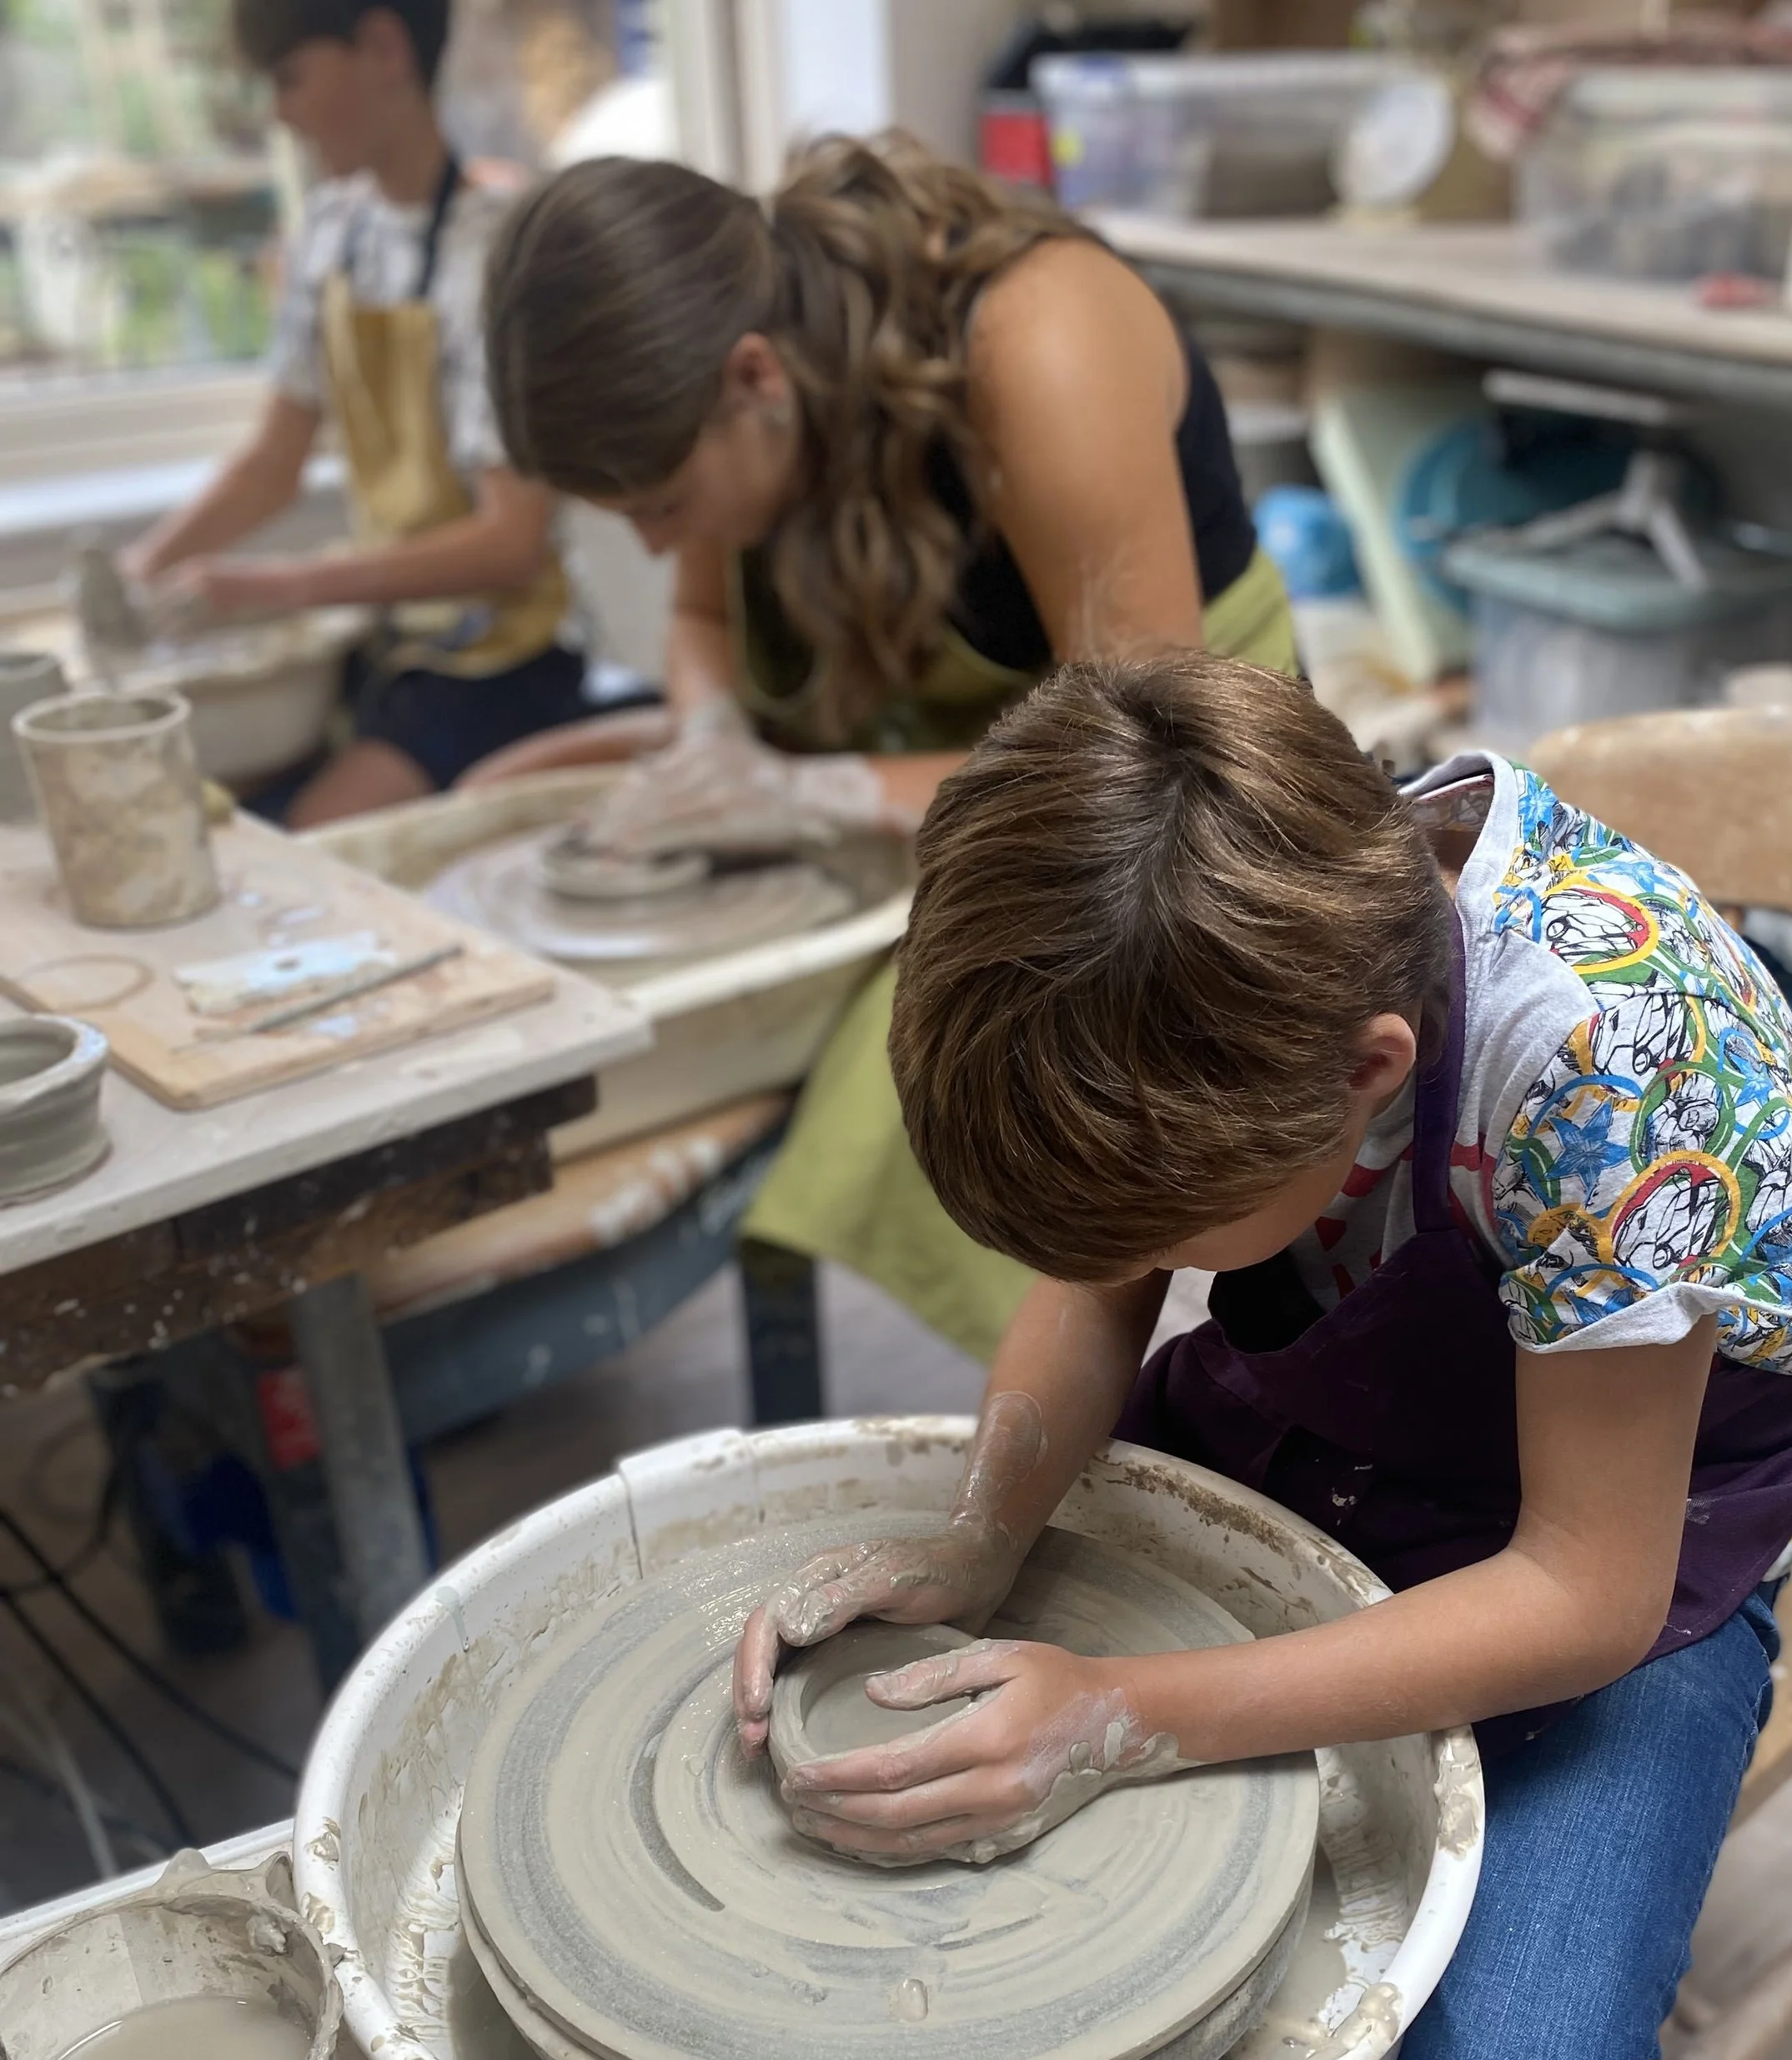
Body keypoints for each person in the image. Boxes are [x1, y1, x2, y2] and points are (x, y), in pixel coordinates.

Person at [731, 654, 1792, 2060]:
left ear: (1370, 1081)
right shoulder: (1208, 917)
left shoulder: (1612, 1066)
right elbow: (1102, 1272)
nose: (1114, 1253)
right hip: (1332, 1391)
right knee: (990, 1764)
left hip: (1622, 1518)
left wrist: (1130, 1712)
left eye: (1156, 1216)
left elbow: (1579, 1584)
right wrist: (990, 1528)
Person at [475, 138, 1296, 1359]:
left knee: (950, 1080)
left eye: (658, 506)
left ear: (755, 376)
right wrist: (708, 730)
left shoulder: (1037, 340)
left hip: (1165, 785)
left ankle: (1052, 1412)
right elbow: (703, 619)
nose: (656, 546)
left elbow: (1138, 751)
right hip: (943, 756)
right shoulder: (726, 373)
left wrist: (814, 786)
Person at [124, 0, 586, 827]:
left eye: (291, 77)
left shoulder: (494, 252)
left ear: (382, 49)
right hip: (385, 645)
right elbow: (271, 464)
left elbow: (511, 545)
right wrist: (139, 576)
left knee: (302, 855)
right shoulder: (329, 234)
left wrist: (281, 586)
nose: (279, 112)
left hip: (499, 660)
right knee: (214, 812)